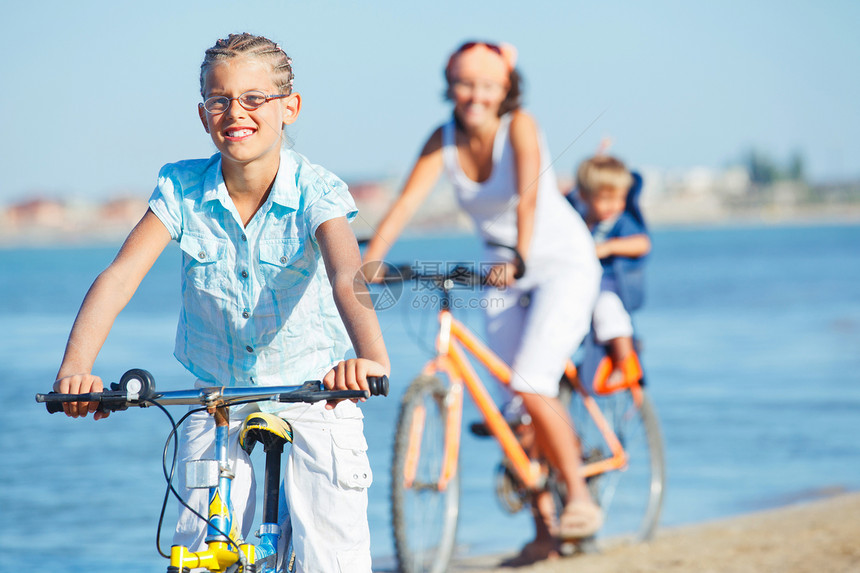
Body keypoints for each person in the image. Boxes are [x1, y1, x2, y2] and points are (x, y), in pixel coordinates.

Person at [52, 33, 389, 572]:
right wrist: (76, 370)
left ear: (289, 108)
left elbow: (346, 272)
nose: (236, 112)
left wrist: (371, 360)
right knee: (198, 553)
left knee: (334, 555)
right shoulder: (181, 187)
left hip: (315, 392)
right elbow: (119, 278)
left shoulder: (317, 191)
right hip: (217, 396)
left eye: (254, 99)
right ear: (203, 112)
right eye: (220, 99)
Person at [362, 40, 602, 563]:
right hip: (500, 272)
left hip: (558, 263)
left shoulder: (520, 126)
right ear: (450, 86)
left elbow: (532, 194)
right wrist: (370, 262)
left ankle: (581, 500)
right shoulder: (442, 139)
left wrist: (518, 252)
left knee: (533, 379)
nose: (475, 95)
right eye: (466, 84)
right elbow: (406, 202)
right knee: (510, 411)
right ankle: (546, 534)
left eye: (487, 85)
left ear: (506, 89)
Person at [571, 155, 651, 384]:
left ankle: (625, 362)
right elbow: (568, 196)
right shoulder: (580, 220)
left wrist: (608, 247)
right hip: (582, 287)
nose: (613, 205)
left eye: (619, 198)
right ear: (586, 197)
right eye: (605, 199)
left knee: (606, 308)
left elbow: (643, 243)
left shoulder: (620, 222)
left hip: (611, 285)